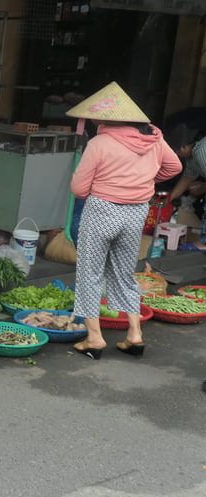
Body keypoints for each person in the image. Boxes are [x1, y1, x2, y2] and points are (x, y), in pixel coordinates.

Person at [67, 81, 182, 359]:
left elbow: (79, 189)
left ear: (106, 118)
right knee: (124, 272)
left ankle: (94, 338)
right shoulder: (154, 137)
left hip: (102, 210)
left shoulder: (99, 143)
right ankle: (135, 334)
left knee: (90, 273)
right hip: (136, 212)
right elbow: (174, 166)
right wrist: (143, 181)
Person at [167, 125, 206, 250]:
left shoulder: (200, 150)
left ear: (184, 146)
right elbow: (187, 178)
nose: (176, 155)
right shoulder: (191, 157)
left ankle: (204, 244)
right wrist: (168, 199)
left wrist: (203, 187)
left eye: (176, 151)